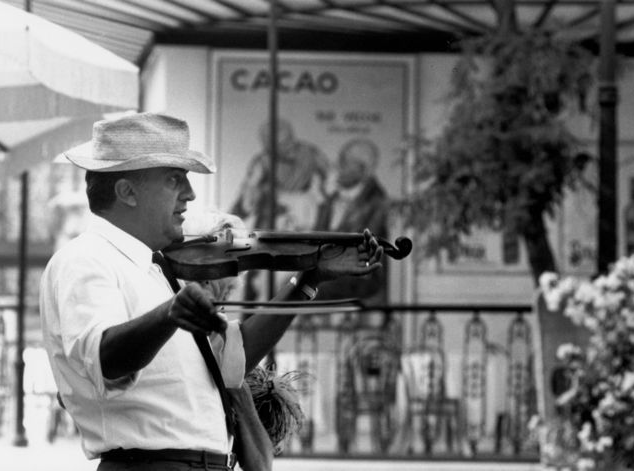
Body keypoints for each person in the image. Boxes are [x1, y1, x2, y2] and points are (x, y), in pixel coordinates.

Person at [39, 112, 383, 470]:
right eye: (175, 180)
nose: (189, 194)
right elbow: (105, 359)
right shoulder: (86, 258)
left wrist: (308, 279)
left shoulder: (154, 268)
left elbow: (229, 359)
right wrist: (170, 313)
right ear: (127, 192)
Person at [314, 137, 390, 305]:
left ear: (363, 170)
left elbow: (363, 245)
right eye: (340, 160)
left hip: (361, 277)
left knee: (306, 290)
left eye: (345, 162)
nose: (338, 167)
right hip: (330, 271)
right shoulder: (331, 200)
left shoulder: (377, 202)